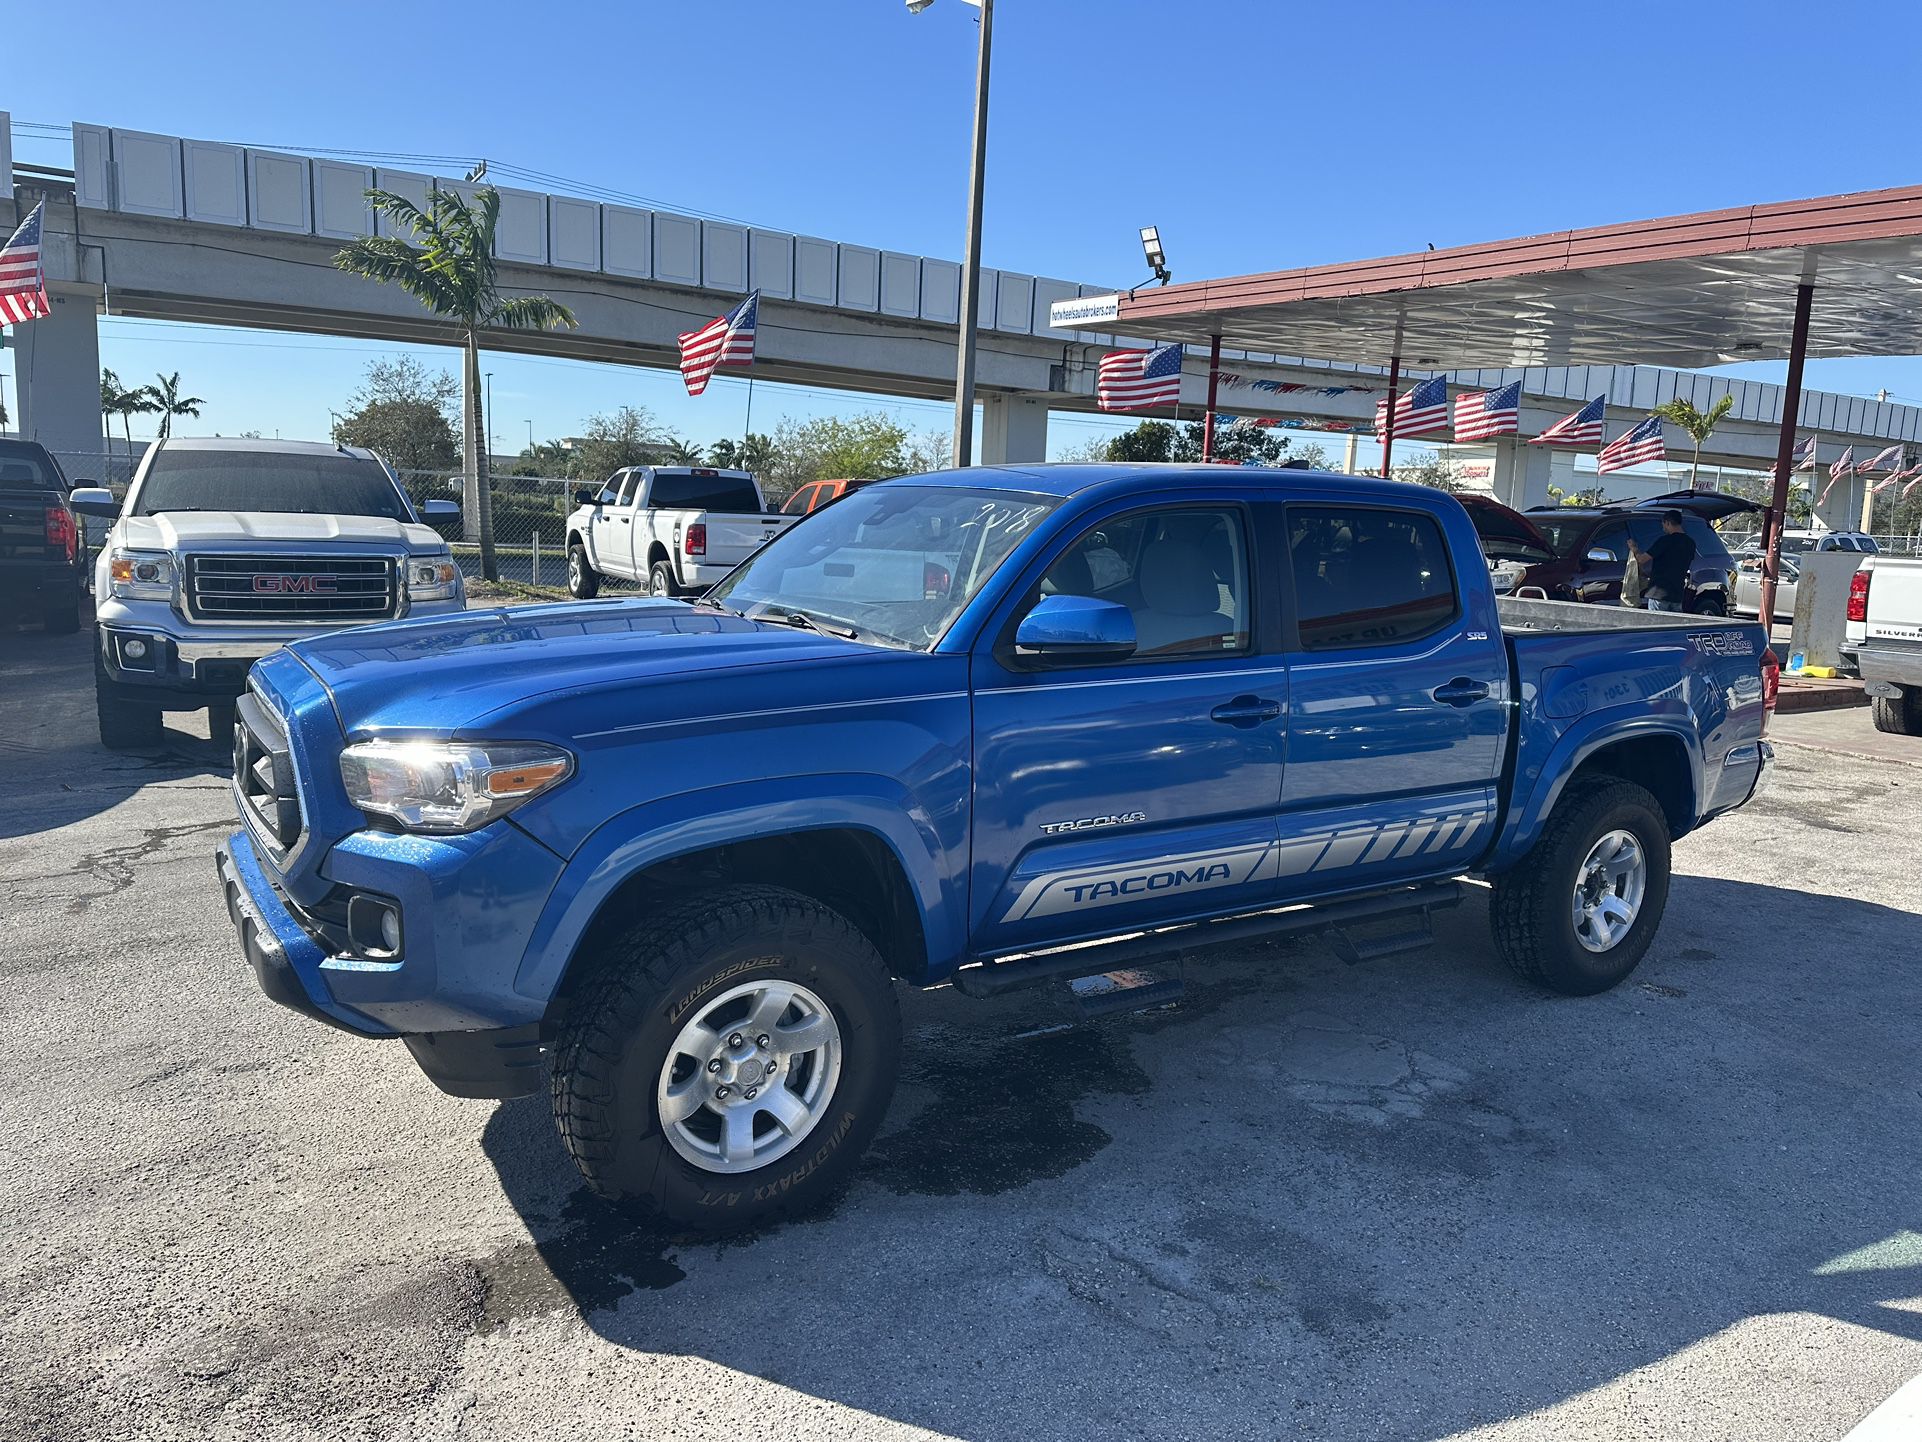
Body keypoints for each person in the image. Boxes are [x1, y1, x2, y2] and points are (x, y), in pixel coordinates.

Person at [1634, 510, 1697, 612]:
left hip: (1659, 594)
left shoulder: (1664, 541)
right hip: (1677, 595)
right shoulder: (1690, 543)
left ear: (1667, 522)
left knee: (1656, 626)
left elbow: (1641, 559)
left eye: (1663, 524)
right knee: (1674, 626)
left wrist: (1634, 549)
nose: (1663, 527)